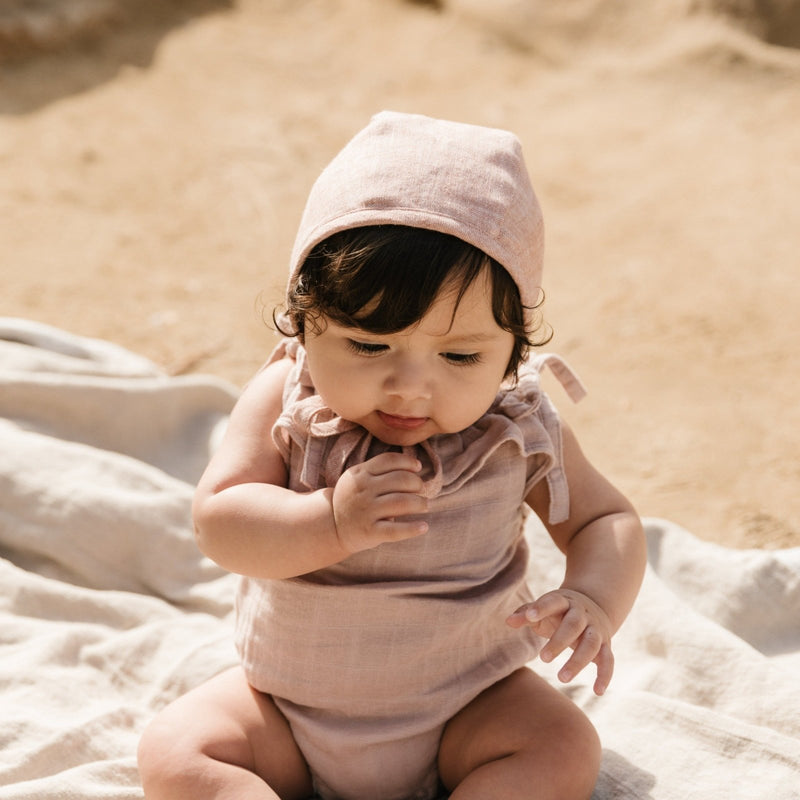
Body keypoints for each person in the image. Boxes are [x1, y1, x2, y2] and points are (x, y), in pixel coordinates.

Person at [137, 111, 646, 800]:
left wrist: (593, 598)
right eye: (368, 346)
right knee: (176, 752)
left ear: (512, 353)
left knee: (560, 748)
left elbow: (603, 519)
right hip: (287, 709)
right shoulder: (288, 400)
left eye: (461, 356)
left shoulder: (516, 428)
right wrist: (330, 523)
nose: (410, 386)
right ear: (304, 321)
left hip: (468, 707)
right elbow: (219, 521)